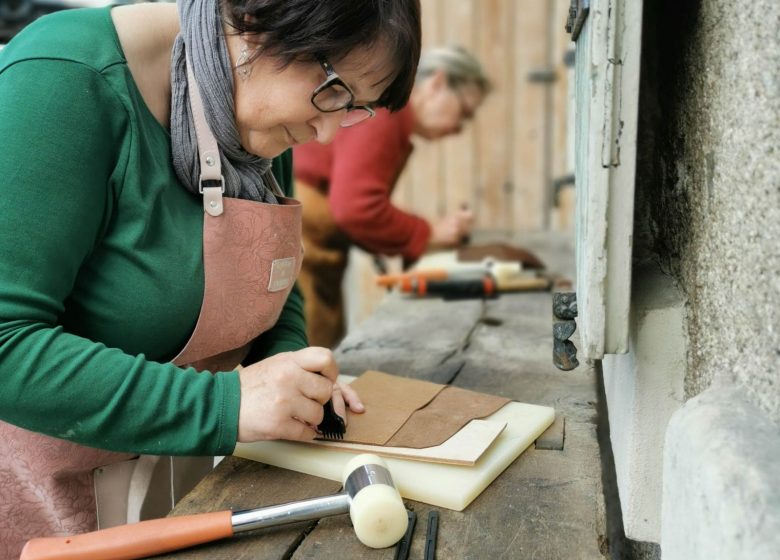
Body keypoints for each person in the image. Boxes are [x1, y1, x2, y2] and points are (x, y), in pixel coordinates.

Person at [0, 0, 421, 556]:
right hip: (51, 505)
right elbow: (7, 345)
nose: (325, 132)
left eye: (355, 108)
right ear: (256, 20)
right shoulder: (62, 81)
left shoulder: (246, 109)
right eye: (336, 91)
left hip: (187, 485)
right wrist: (223, 405)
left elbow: (267, 274)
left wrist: (292, 375)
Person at [293, 45, 490, 348]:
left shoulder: (391, 115)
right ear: (437, 83)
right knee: (305, 352)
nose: (458, 129)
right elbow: (356, 207)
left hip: (311, 238)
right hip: (303, 240)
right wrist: (428, 233)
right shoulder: (386, 111)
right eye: (463, 112)